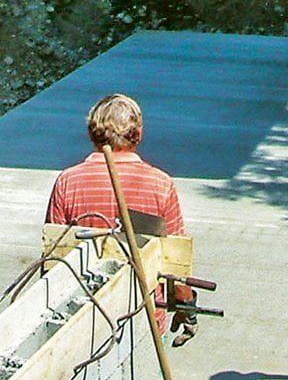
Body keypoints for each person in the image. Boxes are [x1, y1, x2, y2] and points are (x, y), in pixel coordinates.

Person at [46, 94, 192, 336]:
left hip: (82, 317)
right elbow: (173, 263)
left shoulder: (68, 182)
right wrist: (186, 305)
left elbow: (53, 258)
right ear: (139, 134)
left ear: (92, 133)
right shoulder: (160, 184)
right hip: (143, 316)